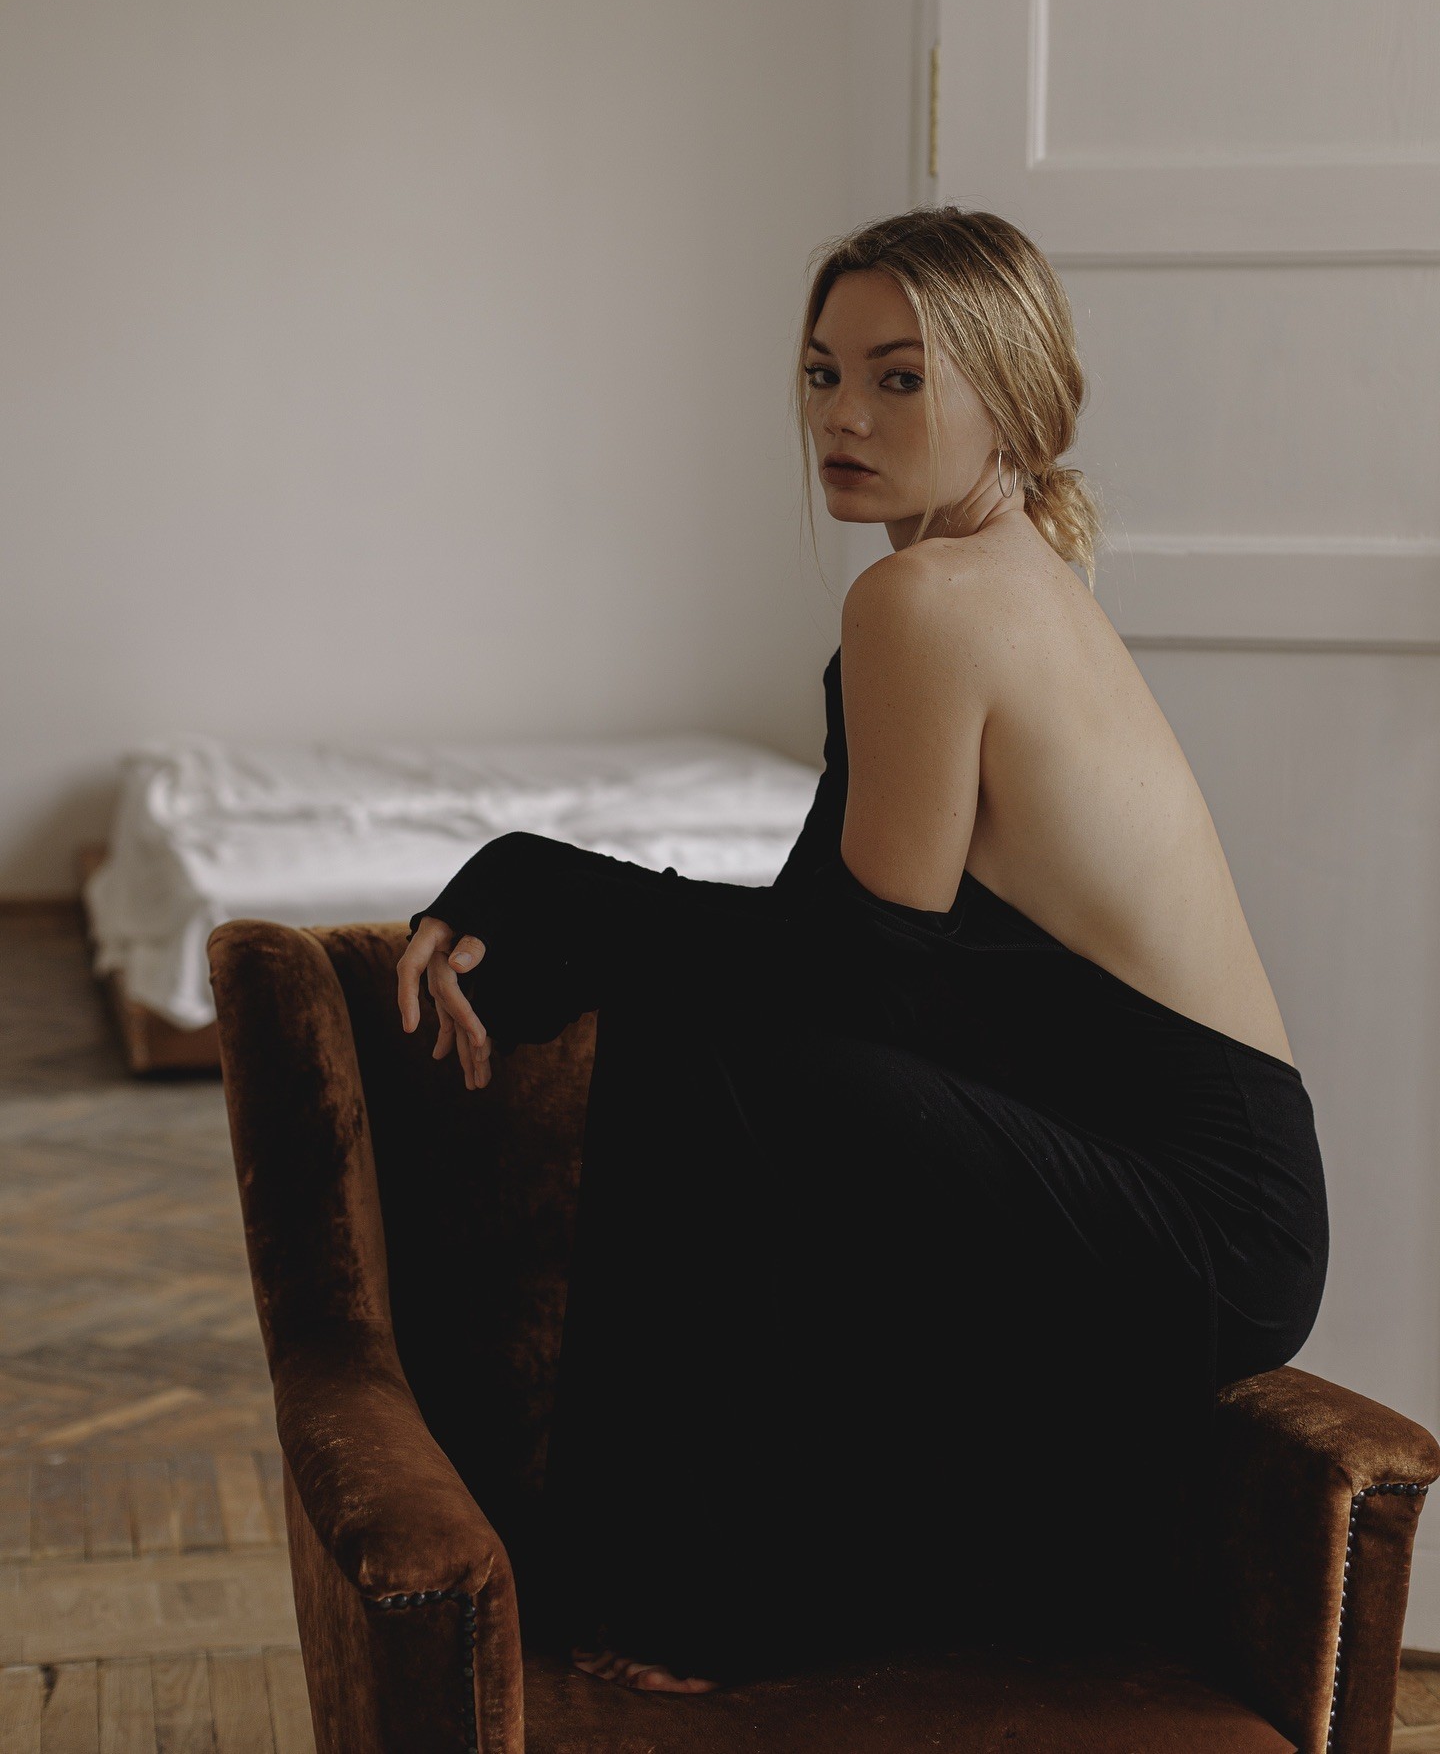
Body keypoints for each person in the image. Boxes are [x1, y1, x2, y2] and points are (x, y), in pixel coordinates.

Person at [394, 206, 1329, 1695]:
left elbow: (845, 977)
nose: (842, 416)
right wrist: (562, 913)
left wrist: (540, 888)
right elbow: (836, 958)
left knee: (715, 1037)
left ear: (1008, 396)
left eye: (900, 378)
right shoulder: (998, 575)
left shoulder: (926, 600)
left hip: (1194, 1218)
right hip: (1220, 1203)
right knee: (718, 1021)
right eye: (823, 374)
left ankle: (670, 1595)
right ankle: (689, 1579)